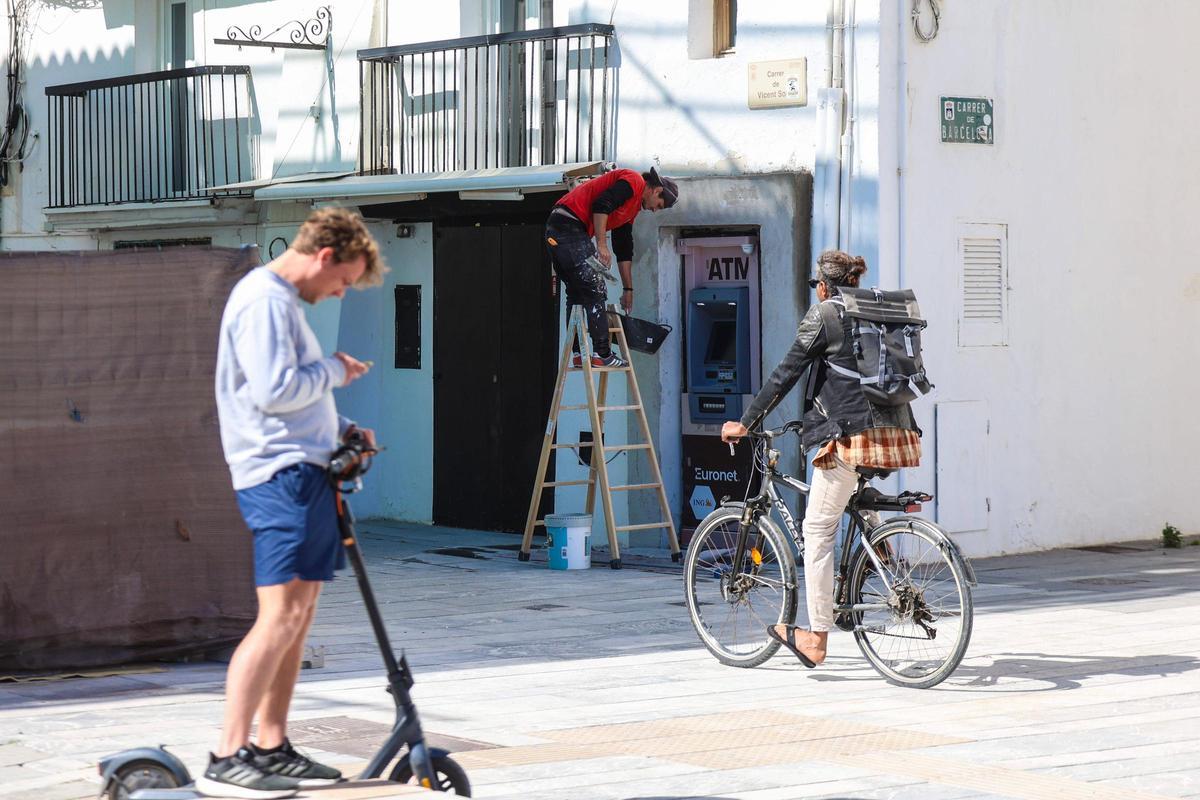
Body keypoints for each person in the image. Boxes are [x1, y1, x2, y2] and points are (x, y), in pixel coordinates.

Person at [204, 208, 387, 799]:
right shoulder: (265, 301)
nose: (338, 293)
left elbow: (293, 396)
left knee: (297, 617)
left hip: (303, 471)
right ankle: (228, 751)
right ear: (325, 256)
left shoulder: (280, 301)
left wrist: (344, 430)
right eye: (342, 282)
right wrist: (335, 369)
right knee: (278, 616)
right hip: (277, 476)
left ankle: (271, 744)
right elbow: (275, 390)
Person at [720, 250, 922, 669]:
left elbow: (785, 373)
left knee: (818, 531)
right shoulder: (873, 311)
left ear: (824, 286)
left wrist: (746, 421)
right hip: (896, 431)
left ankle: (815, 637)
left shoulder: (825, 315)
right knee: (854, 502)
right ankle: (883, 561)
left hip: (852, 435)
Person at [546, 166, 679, 367]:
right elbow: (602, 204)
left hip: (560, 228)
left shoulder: (631, 209)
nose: (653, 210)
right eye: (658, 205)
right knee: (595, 287)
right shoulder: (634, 181)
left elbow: (624, 247)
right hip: (569, 226)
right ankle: (603, 354)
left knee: (577, 293)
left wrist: (628, 289)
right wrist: (601, 244)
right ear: (656, 190)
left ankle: (578, 354)